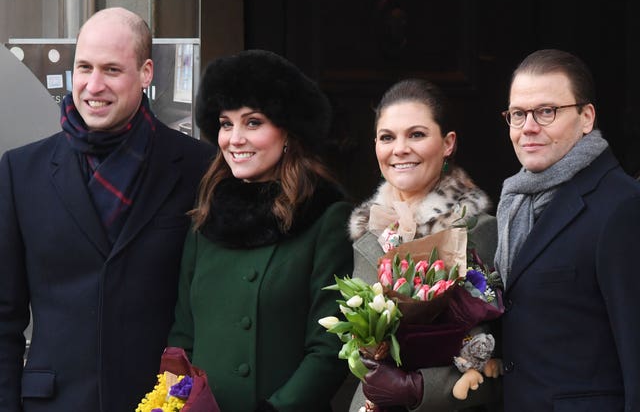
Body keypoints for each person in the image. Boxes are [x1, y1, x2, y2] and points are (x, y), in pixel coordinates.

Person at [0, 7, 214, 411]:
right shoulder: (20, 171)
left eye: (112, 70)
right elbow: (3, 317)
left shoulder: (197, 167)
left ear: (146, 73)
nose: (93, 85)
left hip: (158, 402)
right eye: (84, 67)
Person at [167, 49, 354, 412]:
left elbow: (330, 348)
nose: (235, 139)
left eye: (253, 122)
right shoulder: (206, 217)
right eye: (225, 123)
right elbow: (183, 336)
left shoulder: (325, 217)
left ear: (288, 132)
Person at [495, 49, 640, 411]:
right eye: (518, 114)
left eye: (546, 112)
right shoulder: (512, 205)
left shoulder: (622, 206)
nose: (528, 127)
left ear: (586, 116)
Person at [348, 78, 502, 412]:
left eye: (416, 134)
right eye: (387, 137)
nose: (399, 148)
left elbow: (506, 358)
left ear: (448, 144)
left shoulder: (481, 232)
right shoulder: (368, 235)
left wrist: (418, 389)